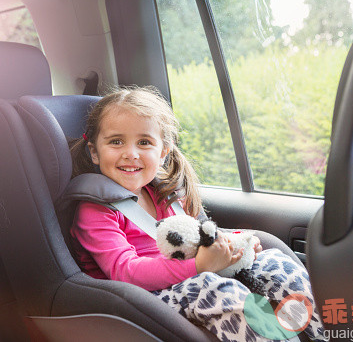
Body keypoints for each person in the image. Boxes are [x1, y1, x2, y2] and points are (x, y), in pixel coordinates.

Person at [69, 86, 324, 341]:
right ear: (94, 151)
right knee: (216, 290)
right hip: (142, 300)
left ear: (163, 153)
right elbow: (125, 272)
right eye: (116, 141)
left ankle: (325, 335)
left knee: (274, 264)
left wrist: (233, 245)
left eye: (144, 142)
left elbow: (198, 237)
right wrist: (199, 265)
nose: (131, 153)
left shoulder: (164, 194)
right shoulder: (95, 211)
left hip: (186, 277)